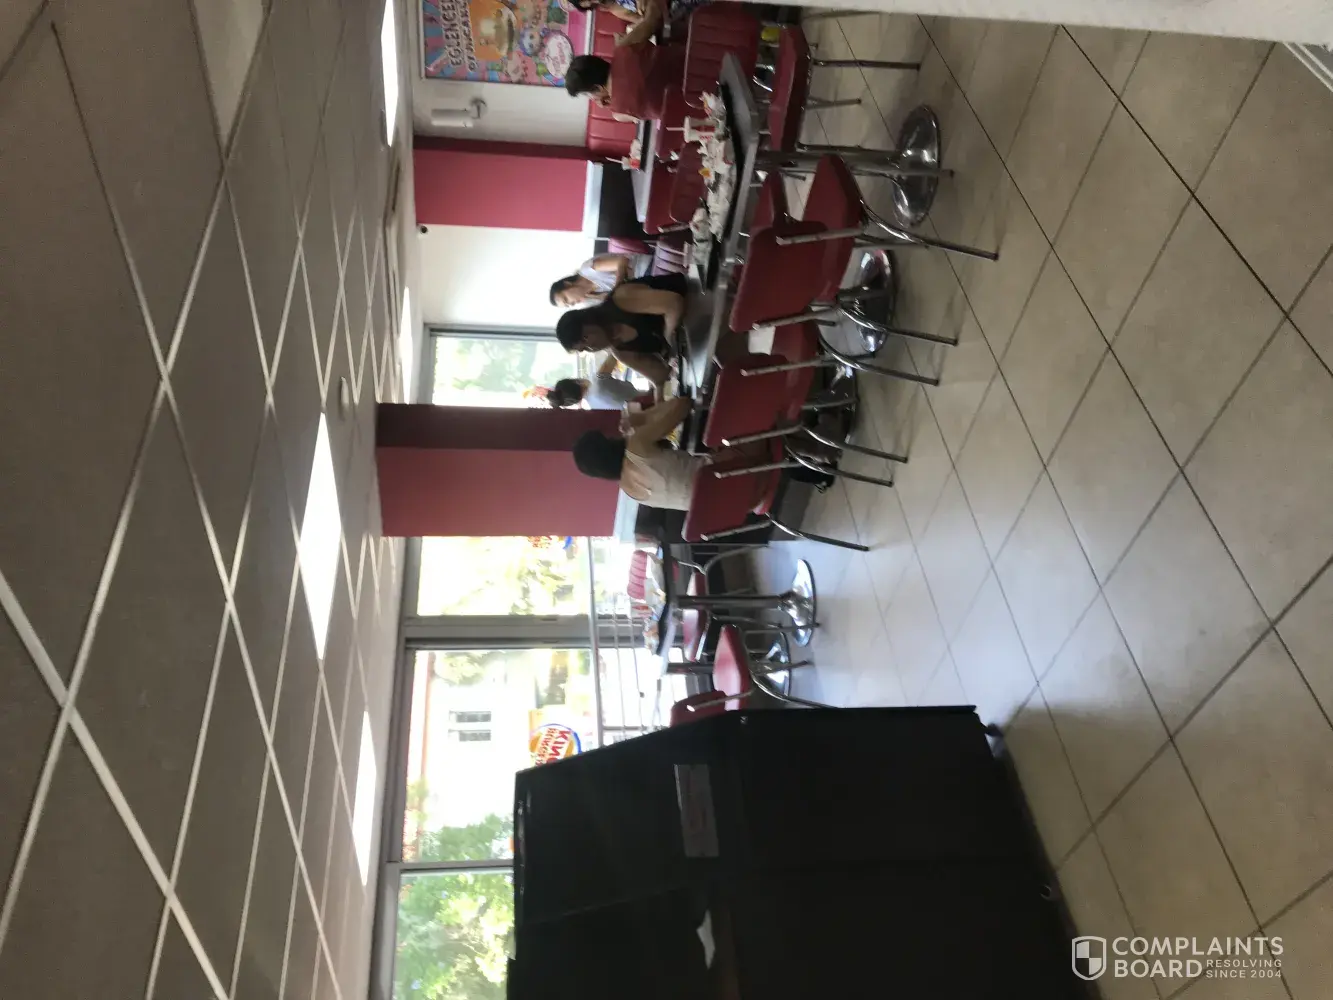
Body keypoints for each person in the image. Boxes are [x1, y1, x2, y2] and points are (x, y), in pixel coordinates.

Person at [555, 272, 687, 388]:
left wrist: (669, 339)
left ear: (588, 320)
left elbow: (674, 303)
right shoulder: (621, 351)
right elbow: (660, 377)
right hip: (693, 343)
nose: (591, 346)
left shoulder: (621, 299)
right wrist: (658, 401)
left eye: (585, 338)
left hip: (694, 297)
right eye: (584, 349)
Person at [564, 40, 686, 121]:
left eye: (588, 95)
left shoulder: (619, 113)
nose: (592, 99)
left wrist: (610, 104)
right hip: (695, 61)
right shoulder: (624, 48)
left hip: (694, 107)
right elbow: (653, 18)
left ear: (598, 88)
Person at [567, 0, 712, 48]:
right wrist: (637, 26)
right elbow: (641, 20)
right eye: (591, 3)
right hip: (667, 12)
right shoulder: (613, 8)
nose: (596, 1)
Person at [549, 251, 651, 308]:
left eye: (566, 299)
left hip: (646, 268)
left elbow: (622, 261)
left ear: (567, 284)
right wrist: (602, 298)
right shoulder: (592, 298)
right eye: (567, 305)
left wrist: (617, 288)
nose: (571, 304)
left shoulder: (588, 269)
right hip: (643, 285)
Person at [545, 355, 646, 411]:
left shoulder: (596, 408)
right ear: (575, 381)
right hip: (649, 398)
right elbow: (616, 352)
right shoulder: (599, 380)